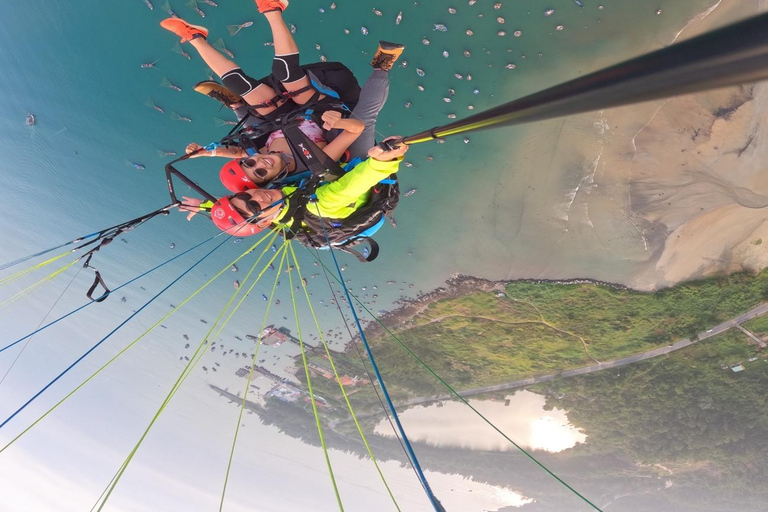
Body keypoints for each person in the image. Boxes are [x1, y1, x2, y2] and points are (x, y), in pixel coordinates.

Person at [161, 1, 404, 190]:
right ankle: (382, 66)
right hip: (322, 111)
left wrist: (207, 152)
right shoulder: (313, 163)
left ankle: (194, 37)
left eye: (250, 164)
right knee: (285, 72)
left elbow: (237, 152)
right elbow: (356, 129)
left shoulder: (261, 155)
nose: (259, 162)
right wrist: (339, 122)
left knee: (239, 84)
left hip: (286, 114)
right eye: (260, 172)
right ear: (271, 180)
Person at [181, 139, 408, 245]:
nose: (256, 196)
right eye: (253, 207)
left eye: (243, 196)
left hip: (336, 218)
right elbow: (357, 181)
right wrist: (385, 158)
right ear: (264, 222)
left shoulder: (271, 213)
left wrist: (204, 205)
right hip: (365, 190)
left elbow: (243, 213)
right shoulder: (321, 203)